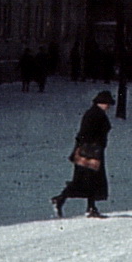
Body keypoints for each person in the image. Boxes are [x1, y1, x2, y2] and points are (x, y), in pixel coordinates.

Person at [52, 90, 114, 218]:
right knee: (86, 180)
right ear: (100, 103)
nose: (108, 106)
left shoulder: (95, 113)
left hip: (90, 152)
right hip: (90, 153)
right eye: (107, 103)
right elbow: (85, 134)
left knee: (90, 180)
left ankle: (90, 207)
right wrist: (91, 145)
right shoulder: (95, 115)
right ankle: (61, 199)